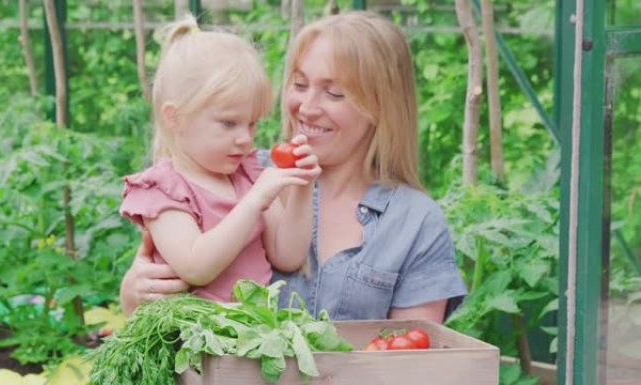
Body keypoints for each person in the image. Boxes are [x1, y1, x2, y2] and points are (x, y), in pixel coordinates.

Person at [120, 11, 467, 322]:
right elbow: (175, 275)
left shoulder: (416, 222)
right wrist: (133, 295)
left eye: (334, 93)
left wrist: (297, 190)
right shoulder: (238, 171)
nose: (307, 107)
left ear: (381, 107)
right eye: (300, 85)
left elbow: (413, 361)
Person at [119, 15, 321, 303]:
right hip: (190, 340)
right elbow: (195, 267)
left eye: (251, 124)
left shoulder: (247, 175)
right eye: (228, 124)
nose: (244, 138)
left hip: (250, 336)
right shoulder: (164, 189)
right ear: (175, 117)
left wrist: (302, 187)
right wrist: (254, 201)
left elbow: (287, 255)